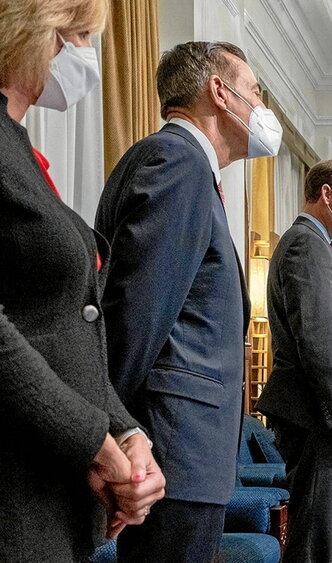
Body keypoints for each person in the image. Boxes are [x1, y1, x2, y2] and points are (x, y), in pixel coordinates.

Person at [96, 41, 280, 562]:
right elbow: (136, 312)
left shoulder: (182, 165)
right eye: (254, 92)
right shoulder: (177, 161)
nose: (261, 107)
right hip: (172, 447)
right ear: (219, 93)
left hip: (183, 448)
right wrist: (116, 430)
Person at [0, 1, 165, 560]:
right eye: (75, 35)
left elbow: (57, 323)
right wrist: (91, 440)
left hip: (52, 491)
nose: (82, 53)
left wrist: (126, 433)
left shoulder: (17, 144)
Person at [256, 159, 332, 563]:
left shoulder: (320, 245)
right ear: (327, 193)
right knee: (313, 538)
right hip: (317, 418)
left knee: (323, 533)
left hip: (321, 416)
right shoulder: (306, 243)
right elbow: (319, 335)